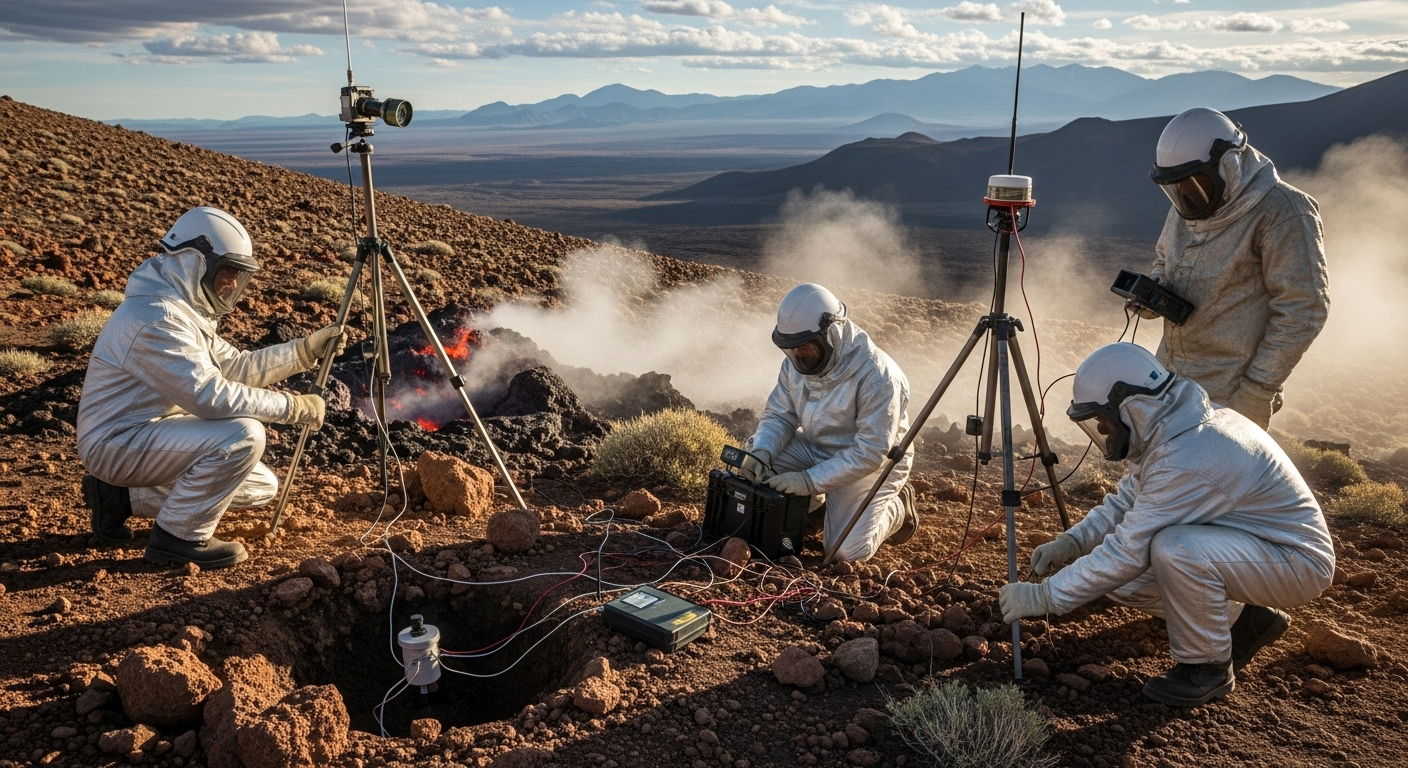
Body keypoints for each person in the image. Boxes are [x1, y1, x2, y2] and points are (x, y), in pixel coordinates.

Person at [998, 343, 1334, 707]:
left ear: (1130, 406)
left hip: (1296, 562)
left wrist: (1045, 596)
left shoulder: (1188, 454)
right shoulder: (1173, 429)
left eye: (1102, 418)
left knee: (1175, 549)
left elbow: (1127, 550)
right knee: (1122, 579)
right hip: (1252, 546)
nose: (1100, 427)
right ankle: (1246, 620)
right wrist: (1073, 542)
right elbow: (1125, 503)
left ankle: (1207, 669)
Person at [77, 206, 346, 569]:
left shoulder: (181, 311)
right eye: (229, 272)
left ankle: (120, 498)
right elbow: (209, 396)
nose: (233, 284)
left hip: (146, 435)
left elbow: (235, 367)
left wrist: (303, 352)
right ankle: (177, 539)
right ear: (195, 263)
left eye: (239, 275)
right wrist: (291, 408)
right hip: (116, 443)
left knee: (260, 485)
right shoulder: (156, 320)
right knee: (243, 435)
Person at [1138, 107, 1329, 429]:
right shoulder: (1190, 205)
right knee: (1161, 475)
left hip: (1229, 391)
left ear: (1228, 166)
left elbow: (1304, 310)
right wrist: (1155, 291)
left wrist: (1257, 390)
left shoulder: (1284, 212)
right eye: (1175, 185)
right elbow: (1164, 259)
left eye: (1193, 181)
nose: (1183, 192)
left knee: (1208, 478)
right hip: (1170, 377)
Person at [738, 283, 918, 562]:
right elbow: (779, 415)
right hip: (815, 446)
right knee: (757, 469)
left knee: (845, 551)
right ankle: (817, 505)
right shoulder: (797, 363)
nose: (797, 357)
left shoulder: (878, 375)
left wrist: (809, 480)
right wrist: (762, 450)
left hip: (869, 465)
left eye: (805, 348)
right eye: (791, 350)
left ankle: (897, 507)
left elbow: (871, 451)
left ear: (831, 332)